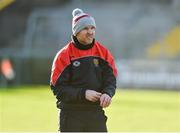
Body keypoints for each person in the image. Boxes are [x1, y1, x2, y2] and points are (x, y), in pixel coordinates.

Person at [50, 8, 117, 132]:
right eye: (85, 28)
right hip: (71, 115)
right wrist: (83, 94)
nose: (90, 32)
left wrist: (108, 93)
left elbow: (111, 79)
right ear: (76, 31)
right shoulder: (64, 55)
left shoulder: (103, 52)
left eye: (92, 28)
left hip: (95, 113)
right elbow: (58, 89)